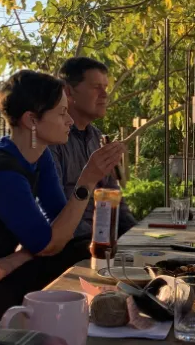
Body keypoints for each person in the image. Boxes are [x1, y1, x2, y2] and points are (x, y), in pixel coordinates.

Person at [0, 70, 125, 327]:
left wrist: (15, 259)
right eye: (61, 113)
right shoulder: (1, 173)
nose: (69, 120)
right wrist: (87, 181)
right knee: (72, 259)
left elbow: (62, 227)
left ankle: (111, 311)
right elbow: (50, 244)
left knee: (80, 248)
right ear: (31, 120)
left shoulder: (38, 156)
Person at [49, 57, 136, 239]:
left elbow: (114, 198)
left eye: (105, 87)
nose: (105, 95)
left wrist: (136, 236)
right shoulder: (50, 140)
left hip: (101, 240)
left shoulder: (97, 137)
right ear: (68, 92)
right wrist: (97, 240)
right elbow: (51, 215)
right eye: (96, 87)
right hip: (70, 247)